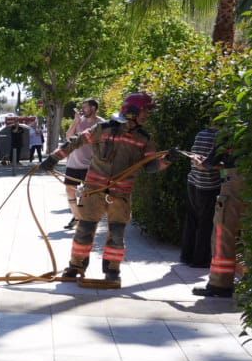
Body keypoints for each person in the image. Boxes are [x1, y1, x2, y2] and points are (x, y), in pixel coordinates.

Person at [41, 91, 178, 286]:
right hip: (94, 191)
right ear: (132, 112)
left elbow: (150, 167)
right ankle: (75, 266)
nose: (147, 115)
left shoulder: (144, 139)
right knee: (84, 230)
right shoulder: (103, 129)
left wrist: (166, 161)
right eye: (145, 111)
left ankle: (113, 270)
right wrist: (53, 158)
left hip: (121, 194)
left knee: (117, 234)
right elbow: (76, 141)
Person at [192, 145, 242, 299]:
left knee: (223, 235)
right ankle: (251, 285)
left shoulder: (228, 134)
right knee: (251, 236)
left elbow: (208, 163)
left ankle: (220, 284)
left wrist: (198, 161)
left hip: (232, 187)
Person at [180, 123, 221, 268]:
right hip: (208, 185)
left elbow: (195, 157)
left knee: (192, 220)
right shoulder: (219, 138)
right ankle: (200, 259)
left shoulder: (200, 134)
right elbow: (211, 163)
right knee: (206, 223)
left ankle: (186, 256)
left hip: (193, 181)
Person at [62, 99, 101, 230]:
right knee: (69, 191)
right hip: (73, 162)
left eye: (86, 107)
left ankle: (82, 219)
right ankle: (77, 217)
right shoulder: (79, 121)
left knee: (87, 194)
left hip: (90, 164)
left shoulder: (101, 123)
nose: (83, 109)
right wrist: (75, 121)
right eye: (83, 107)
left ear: (94, 108)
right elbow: (68, 137)